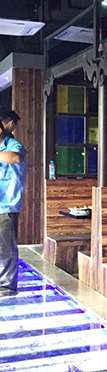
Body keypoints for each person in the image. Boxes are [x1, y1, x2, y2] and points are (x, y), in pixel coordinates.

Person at [0, 120, 26, 296]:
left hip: (6, 206)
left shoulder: (13, 145)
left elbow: (16, 157)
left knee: (6, 248)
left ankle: (6, 287)